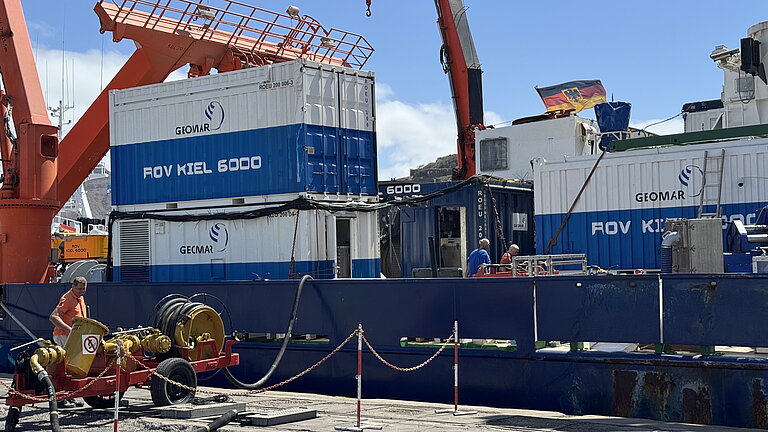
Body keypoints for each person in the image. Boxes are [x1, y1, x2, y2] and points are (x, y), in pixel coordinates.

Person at [49, 276, 88, 409]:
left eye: (83, 289)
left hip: (75, 337)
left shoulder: (80, 297)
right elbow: (53, 317)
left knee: (72, 367)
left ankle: (69, 396)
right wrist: (69, 329)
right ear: (73, 287)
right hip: (64, 336)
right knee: (63, 368)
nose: (81, 291)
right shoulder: (67, 299)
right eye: (79, 289)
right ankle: (60, 398)